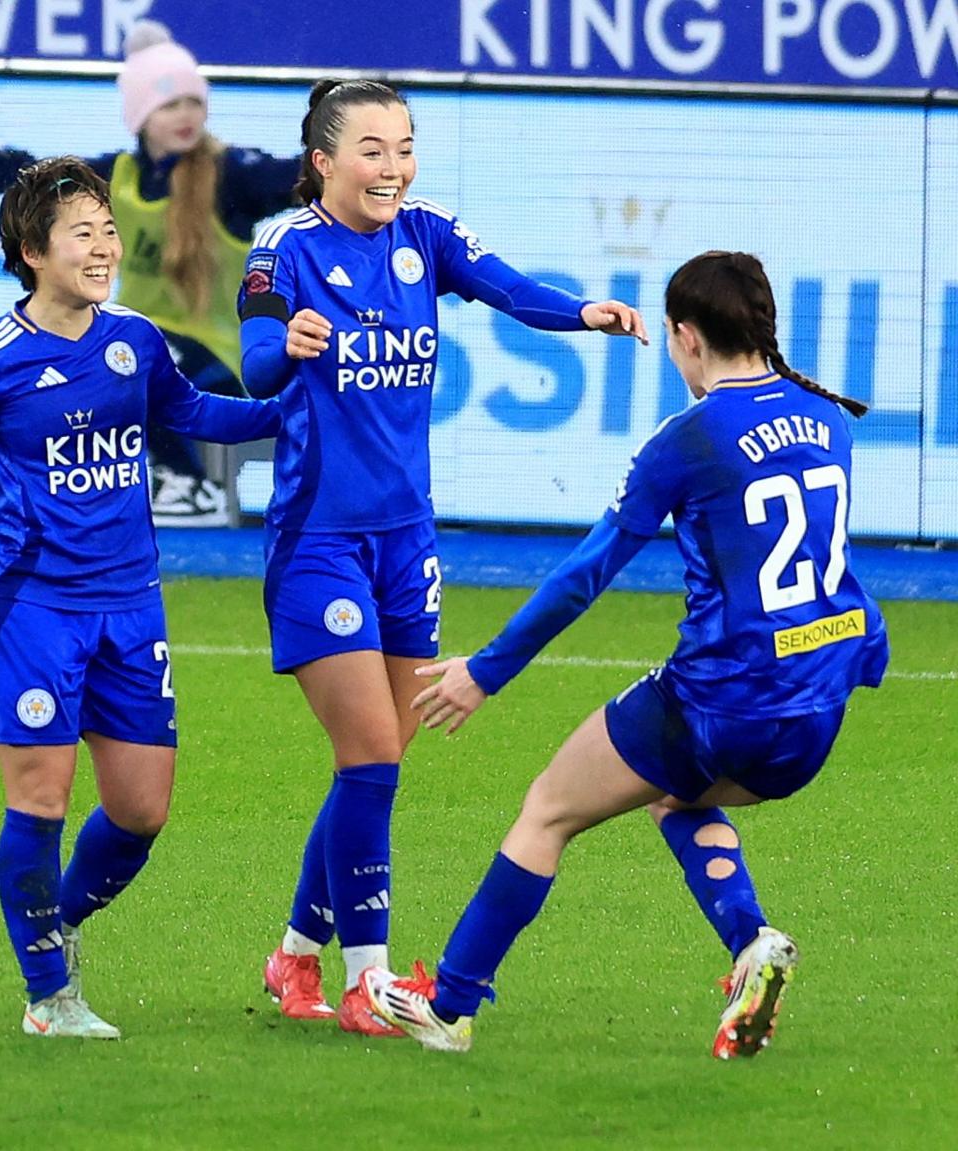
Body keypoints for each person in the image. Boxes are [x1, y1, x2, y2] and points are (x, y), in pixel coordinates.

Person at [360, 250, 887, 1057]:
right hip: (818, 707)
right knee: (677, 796)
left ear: (684, 337)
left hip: (723, 700)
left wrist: (486, 670)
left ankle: (450, 1005)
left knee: (547, 808)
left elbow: (585, 576)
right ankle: (751, 943)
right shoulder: (828, 420)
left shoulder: (691, 438)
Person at [238, 79, 647, 1036]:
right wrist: (287, 345)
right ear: (323, 161)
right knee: (373, 755)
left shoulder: (425, 233)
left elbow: (506, 284)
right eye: (372, 150)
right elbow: (253, 362)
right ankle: (365, 980)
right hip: (317, 541)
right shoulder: (283, 248)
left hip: (406, 538)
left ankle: (294, 955)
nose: (393, 168)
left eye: (405, 147)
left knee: (371, 766)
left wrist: (581, 310)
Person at [0, 157, 284, 1038]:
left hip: (132, 606)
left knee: (140, 810)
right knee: (40, 802)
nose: (104, 247)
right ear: (31, 251)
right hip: (32, 612)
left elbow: (197, 414)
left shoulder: (133, 338)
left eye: (109, 231)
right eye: (82, 233)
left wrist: (293, 410)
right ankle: (49, 993)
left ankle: (54, 920)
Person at [0, 21, 298, 525]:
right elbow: (13, 174)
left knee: (122, 352)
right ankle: (28, 493)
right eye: (169, 104)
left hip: (220, 360)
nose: (186, 115)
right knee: (51, 365)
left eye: (193, 102)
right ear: (139, 116)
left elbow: (315, 175)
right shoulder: (113, 179)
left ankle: (189, 483)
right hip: (138, 353)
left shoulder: (234, 175)